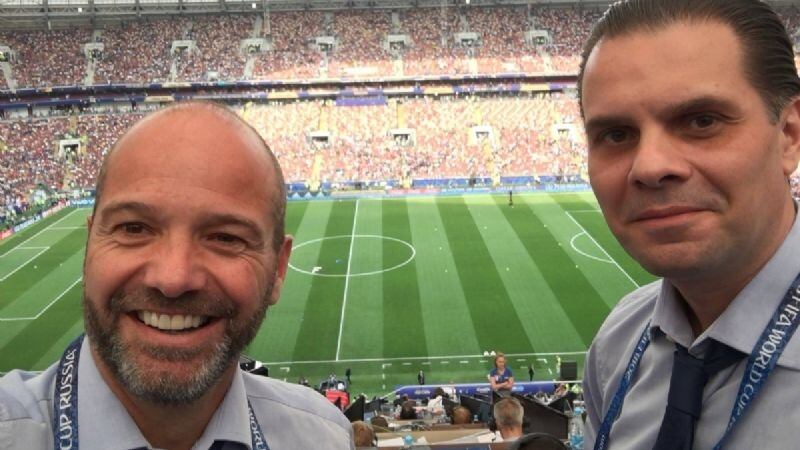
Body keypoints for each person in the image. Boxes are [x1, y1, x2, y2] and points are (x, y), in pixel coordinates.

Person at [0, 102, 354, 449]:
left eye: (225, 237)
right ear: (90, 242)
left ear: (278, 268)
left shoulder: (325, 439)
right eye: (134, 228)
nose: (173, 279)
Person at [578, 1, 800, 449]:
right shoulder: (618, 342)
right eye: (616, 135)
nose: (650, 167)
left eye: (701, 121)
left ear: (789, 135)